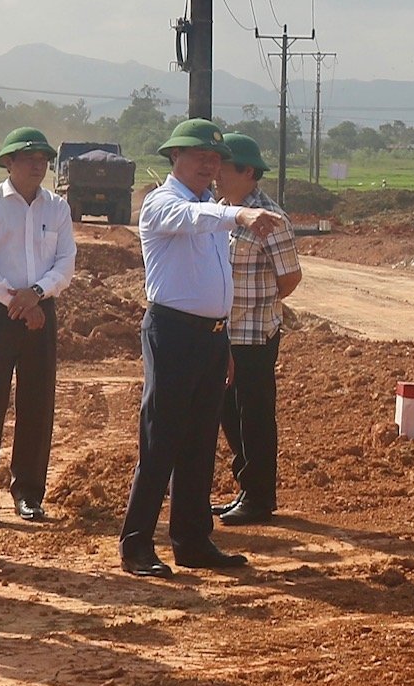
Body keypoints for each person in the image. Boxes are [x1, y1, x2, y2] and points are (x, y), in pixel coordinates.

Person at [119, 119, 286, 578]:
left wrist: (223, 338)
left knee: (199, 442)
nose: (208, 165)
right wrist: (239, 215)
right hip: (172, 333)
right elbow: (190, 220)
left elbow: (218, 276)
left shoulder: (211, 207)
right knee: (160, 441)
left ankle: (192, 539)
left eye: (214, 159)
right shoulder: (163, 203)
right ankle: (136, 544)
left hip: (212, 336)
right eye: (199, 157)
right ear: (176, 157)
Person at [0, 126, 75, 526]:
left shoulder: (57, 208)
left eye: (43, 159)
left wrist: (37, 294)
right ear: (8, 162)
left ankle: (28, 493)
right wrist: (18, 302)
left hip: (42, 313)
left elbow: (65, 263)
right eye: (29, 158)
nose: (37, 165)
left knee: (37, 404)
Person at [213, 133, 302, 525]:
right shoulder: (220, 210)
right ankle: (247, 486)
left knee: (254, 414)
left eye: (223, 168)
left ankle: (260, 497)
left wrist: (261, 304)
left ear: (248, 172)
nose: (215, 175)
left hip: (254, 333)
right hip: (223, 332)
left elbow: (291, 277)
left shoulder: (271, 220)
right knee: (228, 412)